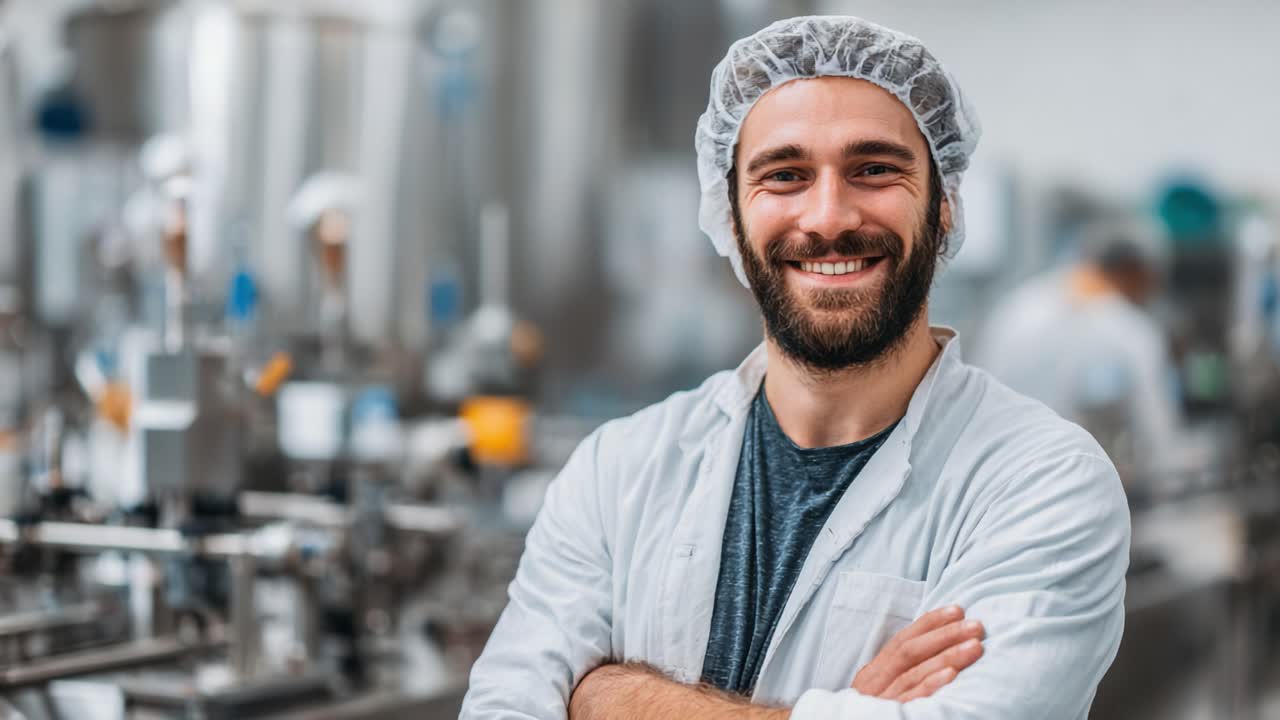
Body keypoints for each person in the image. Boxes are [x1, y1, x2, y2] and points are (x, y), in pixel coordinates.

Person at [461, 15, 1128, 720]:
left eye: (875, 169)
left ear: (944, 206)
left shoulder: (1045, 483)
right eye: (785, 175)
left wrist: (607, 696)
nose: (828, 216)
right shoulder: (619, 471)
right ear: (731, 211)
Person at [974, 221, 1184, 482]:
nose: (1149, 296)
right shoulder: (1130, 331)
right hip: (1072, 483)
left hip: (999, 478)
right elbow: (1157, 432)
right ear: (1133, 272)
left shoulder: (1016, 309)